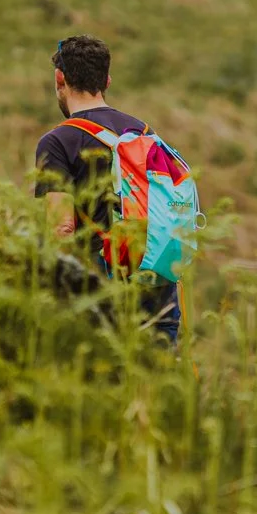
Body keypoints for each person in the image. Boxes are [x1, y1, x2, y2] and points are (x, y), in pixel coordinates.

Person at [32, 34, 181, 345]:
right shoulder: (143, 131)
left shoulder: (57, 141)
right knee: (157, 376)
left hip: (98, 282)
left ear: (60, 78)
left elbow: (60, 227)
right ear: (107, 80)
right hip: (156, 276)